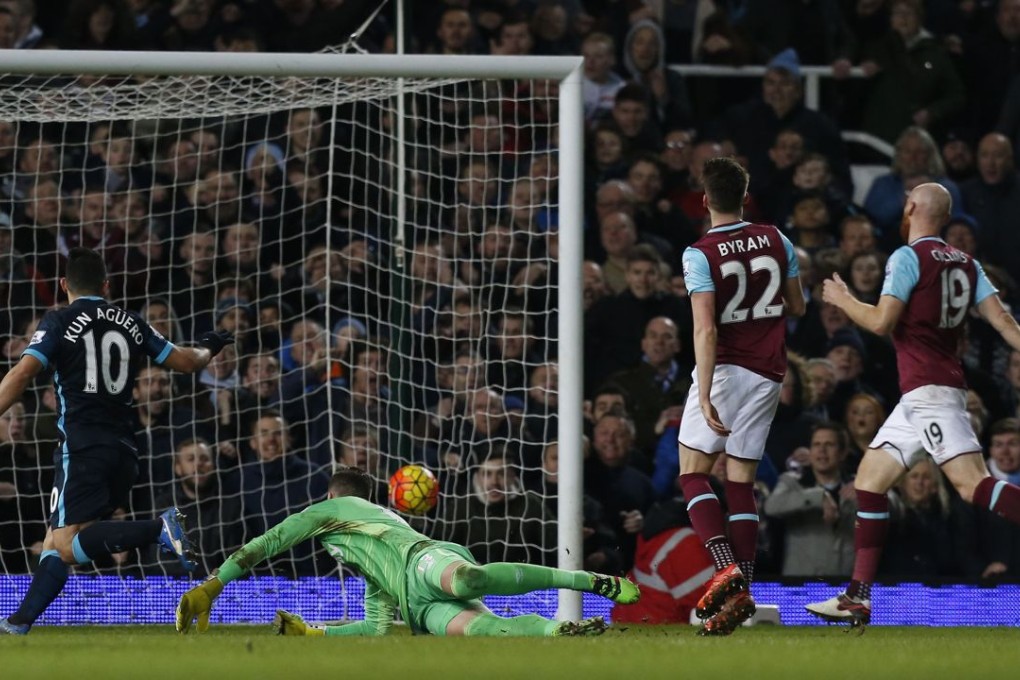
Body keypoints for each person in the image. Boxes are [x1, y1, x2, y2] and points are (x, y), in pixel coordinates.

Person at [805, 183, 1020, 627]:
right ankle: (857, 598)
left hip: (932, 395)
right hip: (921, 396)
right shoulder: (967, 262)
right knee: (869, 480)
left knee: (971, 485)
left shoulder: (907, 257)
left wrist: (843, 299)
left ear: (912, 208)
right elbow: (1003, 320)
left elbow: (883, 322)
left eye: (906, 202)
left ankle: (857, 597)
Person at [0, 247, 234, 635]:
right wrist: (209, 344)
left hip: (82, 445)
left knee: (63, 543)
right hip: (125, 450)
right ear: (106, 285)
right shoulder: (131, 321)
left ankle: (157, 528)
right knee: (58, 539)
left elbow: (23, 373)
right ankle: (19, 621)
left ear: (64, 285)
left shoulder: (58, 319)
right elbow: (188, 362)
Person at [176, 466, 639, 637]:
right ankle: (565, 631)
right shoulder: (362, 557)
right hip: (416, 607)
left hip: (426, 560)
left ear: (335, 496)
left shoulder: (338, 507)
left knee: (467, 579)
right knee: (484, 631)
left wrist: (215, 583)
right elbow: (376, 628)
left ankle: (588, 581)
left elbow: (269, 542)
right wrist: (316, 634)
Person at [677, 156, 805, 635]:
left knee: (692, 474)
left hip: (728, 371)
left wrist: (705, 393)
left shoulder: (699, 253)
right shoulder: (778, 239)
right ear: (745, 196)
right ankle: (745, 589)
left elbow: (706, 328)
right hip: (770, 371)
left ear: (705, 199)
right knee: (741, 481)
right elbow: (796, 304)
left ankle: (726, 567)